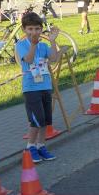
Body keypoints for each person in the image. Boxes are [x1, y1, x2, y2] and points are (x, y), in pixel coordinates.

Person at [16, 12, 60, 163]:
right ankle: (30, 147)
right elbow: (28, 60)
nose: (34, 32)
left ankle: (41, 146)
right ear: (24, 29)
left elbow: (53, 58)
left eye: (37, 29)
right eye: (30, 29)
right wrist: (33, 45)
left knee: (46, 120)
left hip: (45, 85)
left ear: (41, 29)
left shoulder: (43, 45)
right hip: (31, 87)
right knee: (36, 120)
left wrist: (52, 42)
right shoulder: (21, 45)